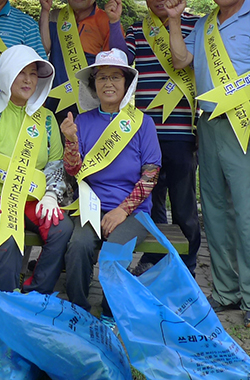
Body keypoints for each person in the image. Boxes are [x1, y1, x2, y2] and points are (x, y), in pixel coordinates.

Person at [167, 0, 250, 328]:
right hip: (210, 125)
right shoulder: (203, 24)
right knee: (214, 210)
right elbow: (183, 62)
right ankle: (226, 290)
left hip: (249, 125)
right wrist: (173, 19)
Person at [60, 50, 160, 314]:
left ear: (126, 84)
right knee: (78, 246)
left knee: (114, 254)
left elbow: (150, 174)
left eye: (115, 77)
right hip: (91, 206)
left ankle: (109, 311)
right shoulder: (82, 121)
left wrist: (121, 211)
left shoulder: (143, 123)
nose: (108, 84)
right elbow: (72, 171)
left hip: (133, 212)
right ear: (94, 85)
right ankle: (78, 309)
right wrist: (70, 141)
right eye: (102, 77)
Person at [0, 44, 71, 293]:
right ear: (7, 75)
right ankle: (6, 299)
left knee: (62, 228)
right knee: (10, 237)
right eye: (21, 73)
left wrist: (50, 195)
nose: (28, 80)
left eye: (33, 73)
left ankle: (36, 292)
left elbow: (55, 164)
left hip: (35, 200)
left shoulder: (46, 119)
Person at [122, 0, 202, 274]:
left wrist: (173, 22)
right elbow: (122, 59)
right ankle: (154, 258)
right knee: (150, 199)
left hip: (183, 128)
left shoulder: (197, 26)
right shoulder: (136, 29)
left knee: (183, 201)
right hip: (146, 131)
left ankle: (188, 263)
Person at [38, 0, 130, 113]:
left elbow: (120, 62)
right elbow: (43, 49)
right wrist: (45, 11)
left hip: (92, 106)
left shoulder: (107, 20)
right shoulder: (55, 16)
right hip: (55, 103)